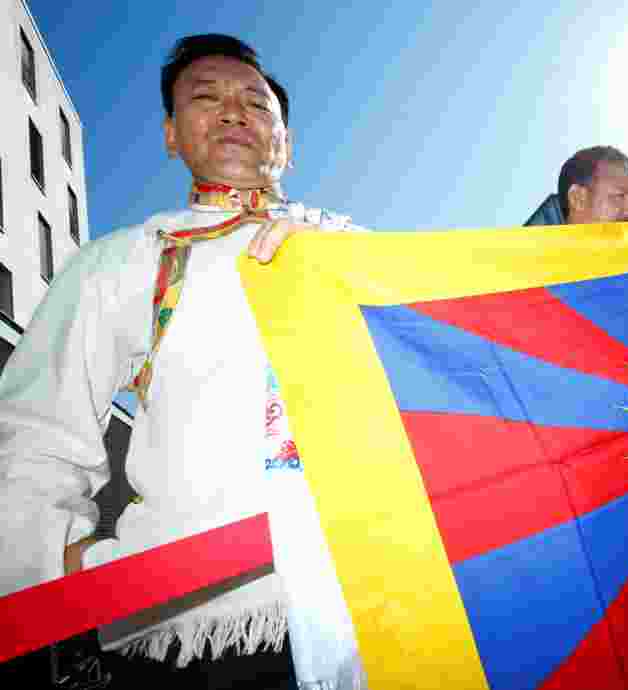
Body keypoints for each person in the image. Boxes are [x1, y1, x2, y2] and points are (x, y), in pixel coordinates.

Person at [0, 35, 364, 689]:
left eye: (255, 101)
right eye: (206, 98)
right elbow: (36, 432)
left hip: (384, 607)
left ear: (287, 141)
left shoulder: (361, 249)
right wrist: (53, 563)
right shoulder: (122, 260)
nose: (233, 111)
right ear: (171, 136)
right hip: (196, 629)